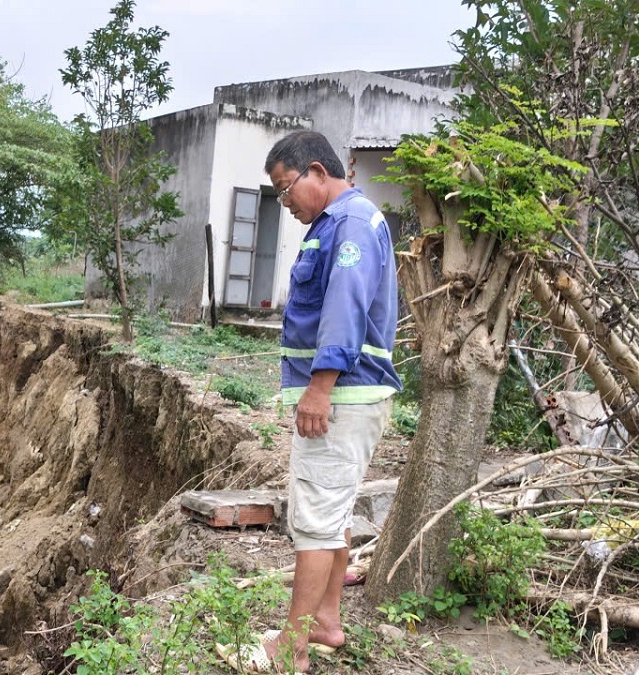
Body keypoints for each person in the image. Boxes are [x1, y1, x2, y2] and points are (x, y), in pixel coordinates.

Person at [261, 130, 402, 672]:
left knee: (315, 519)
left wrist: (319, 388)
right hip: (349, 392)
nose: (285, 201)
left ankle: (292, 644)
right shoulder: (343, 222)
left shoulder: (347, 225)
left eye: (286, 187)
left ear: (317, 171)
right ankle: (326, 621)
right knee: (334, 512)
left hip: (341, 394)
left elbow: (343, 307)